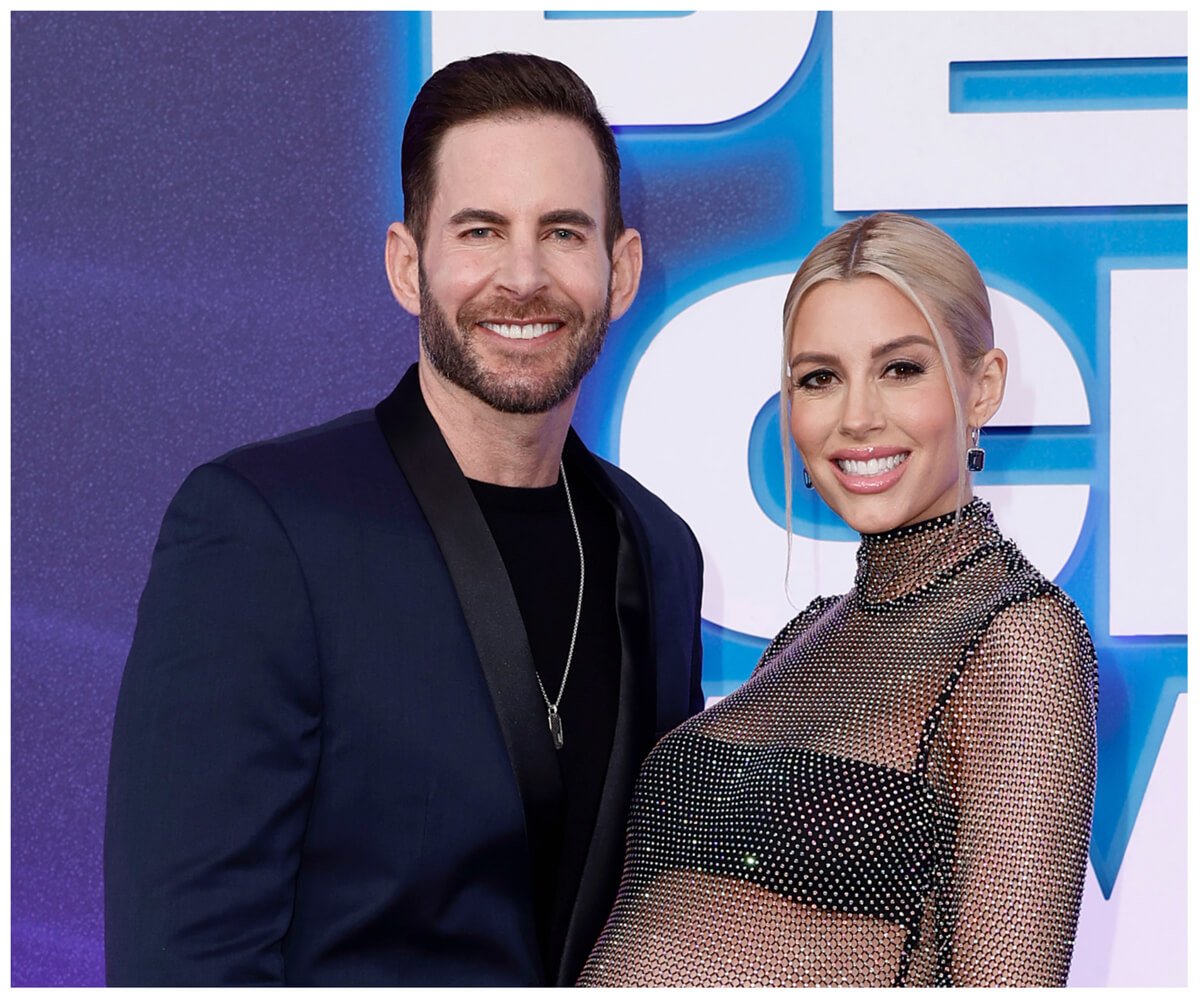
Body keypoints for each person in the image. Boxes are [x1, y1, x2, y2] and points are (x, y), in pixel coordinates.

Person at [104, 52, 704, 987]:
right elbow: (182, 960)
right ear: (406, 263)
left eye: (562, 232)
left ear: (619, 271)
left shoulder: (657, 549)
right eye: (479, 230)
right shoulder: (264, 530)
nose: (522, 276)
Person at [578, 213, 1097, 987]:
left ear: (982, 385)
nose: (857, 417)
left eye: (900, 369)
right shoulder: (809, 631)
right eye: (820, 377)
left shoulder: (1018, 637)